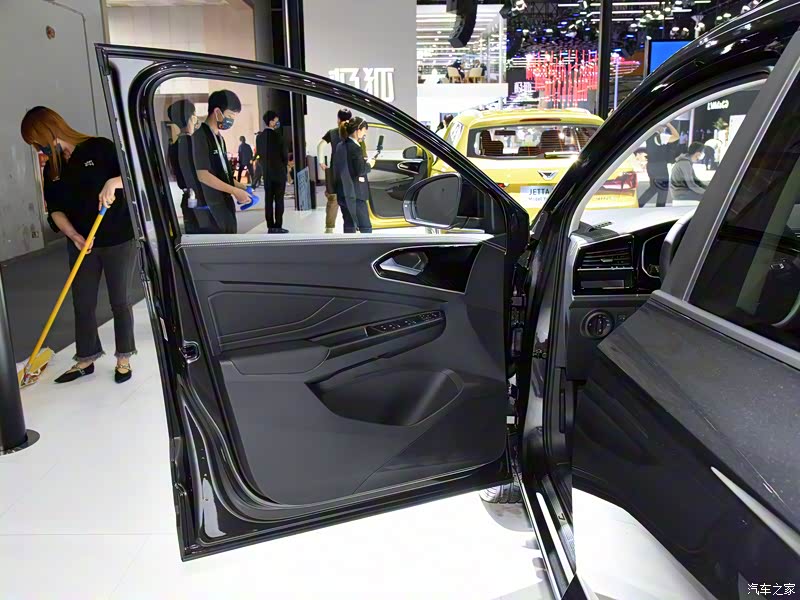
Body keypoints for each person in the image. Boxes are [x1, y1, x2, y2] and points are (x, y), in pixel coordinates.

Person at [21, 106, 136, 384]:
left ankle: (123, 358)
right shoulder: (53, 169)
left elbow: (134, 174)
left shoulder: (99, 147)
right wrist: (73, 236)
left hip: (118, 238)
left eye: (37, 141)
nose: (38, 148)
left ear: (49, 129)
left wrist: (113, 183)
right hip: (82, 243)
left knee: (119, 301)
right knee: (82, 302)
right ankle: (86, 358)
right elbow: (55, 210)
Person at [192, 90, 252, 234]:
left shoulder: (219, 138)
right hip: (211, 205)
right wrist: (234, 190)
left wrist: (240, 187)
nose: (231, 121)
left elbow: (222, 173)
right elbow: (202, 174)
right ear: (217, 112)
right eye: (229, 116)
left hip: (225, 202)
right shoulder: (200, 137)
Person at [166, 99, 209, 234]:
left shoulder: (174, 145)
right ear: (191, 117)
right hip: (202, 198)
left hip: (187, 198)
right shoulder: (196, 143)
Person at [334, 116, 374, 233]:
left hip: (343, 192)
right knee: (365, 227)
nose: (364, 134)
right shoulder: (356, 148)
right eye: (364, 131)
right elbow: (360, 170)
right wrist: (369, 164)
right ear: (358, 130)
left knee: (349, 226)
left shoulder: (340, 145)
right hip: (356, 194)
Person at [256, 110, 290, 233]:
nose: (277, 123)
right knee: (279, 200)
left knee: (268, 200)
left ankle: (270, 226)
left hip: (266, 173)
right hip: (279, 172)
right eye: (276, 121)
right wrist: (284, 167)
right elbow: (284, 156)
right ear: (271, 122)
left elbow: (259, 155)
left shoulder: (259, 138)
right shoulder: (278, 137)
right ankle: (278, 225)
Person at [319, 107, 352, 233]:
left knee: (333, 199)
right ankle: (350, 227)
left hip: (334, 171)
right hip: (349, 171)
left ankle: (329, 228)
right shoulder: (353, 131)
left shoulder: (332, 132)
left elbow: (320, 145)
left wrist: (321, 162)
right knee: (349, 199)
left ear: (338, 119)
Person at [638, 122, 680, 207]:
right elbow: (676, 136)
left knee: (653, 188)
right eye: (663, 126)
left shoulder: (649, 137)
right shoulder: (660, 137)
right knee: (663, 190)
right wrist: (669, 124)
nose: (664, 128)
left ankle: (638, 204)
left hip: (651, 166)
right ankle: (659, 208)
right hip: (659, 167)